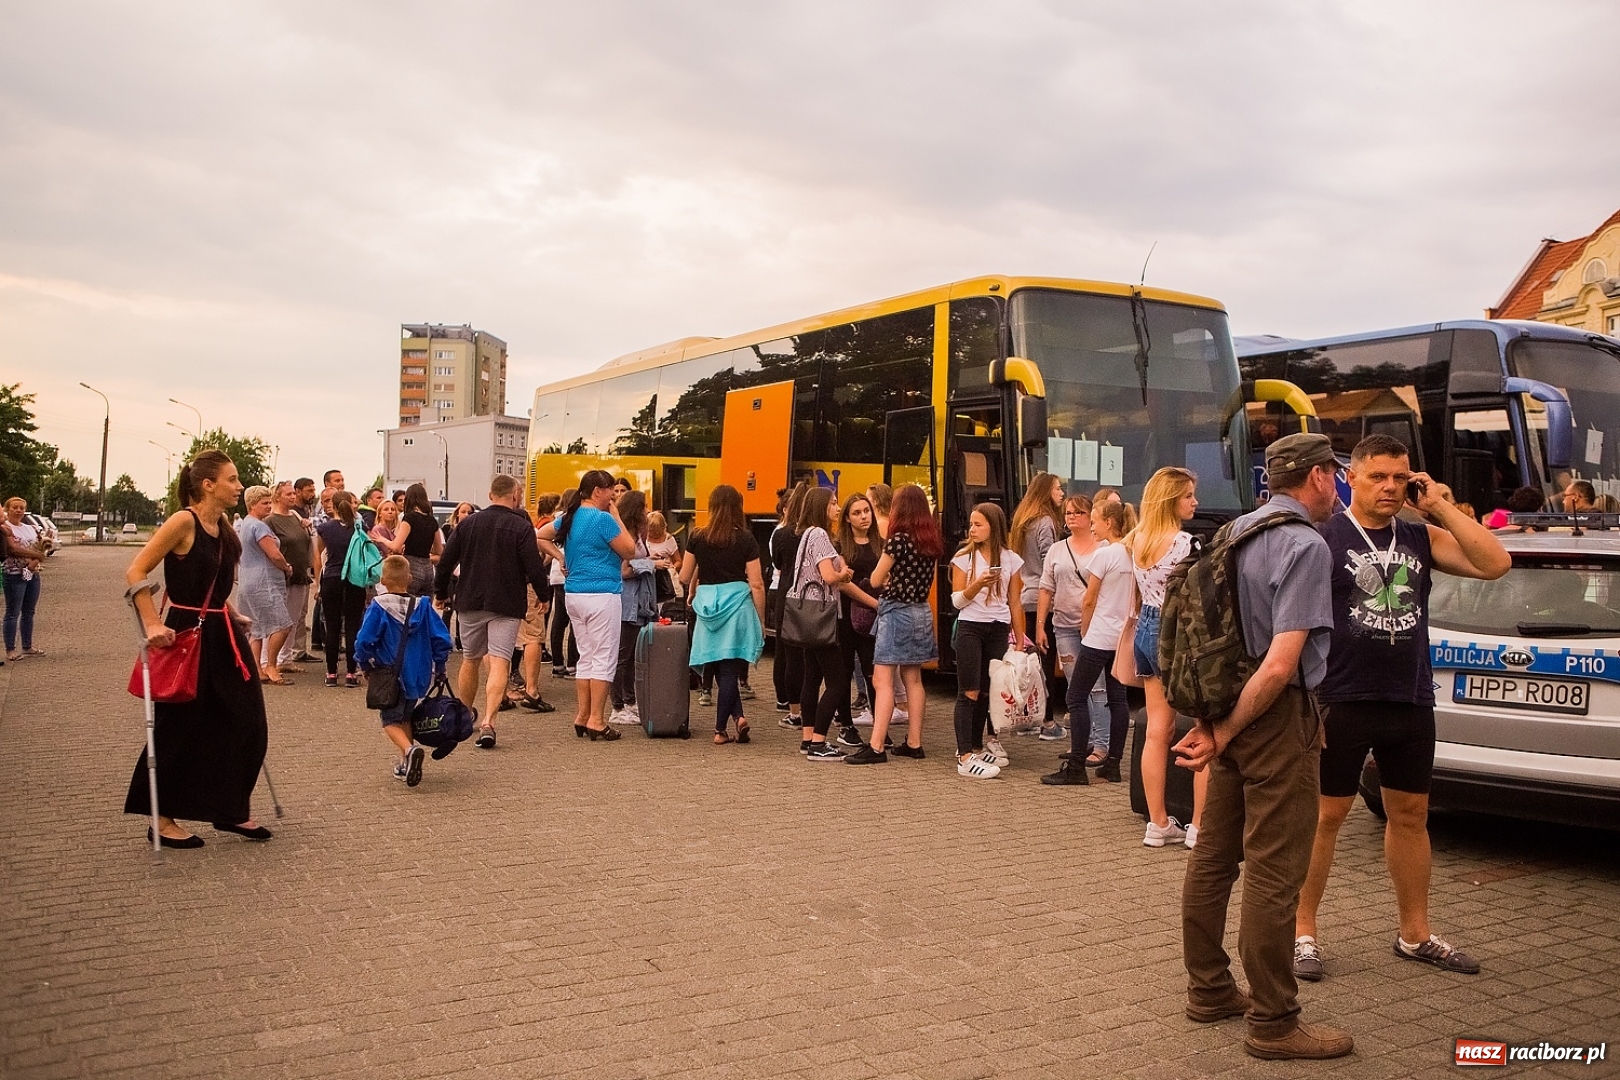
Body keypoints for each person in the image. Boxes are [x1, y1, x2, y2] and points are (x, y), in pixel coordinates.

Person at [1293, 434, 1509, 985]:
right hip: (1339, 697)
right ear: (1352, 479)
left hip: (1409, 697)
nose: (1390, 487)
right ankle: (1302, 932)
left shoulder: (1418, 533)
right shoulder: (1324, 535)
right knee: (1325, 817)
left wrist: (1435, 503)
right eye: (1377, 477)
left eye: (1400, 477)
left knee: (1410, 816)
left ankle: (1414, 933)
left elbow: (1495, 563)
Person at [1171, 432, 1351, 1061]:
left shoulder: (1237, 530)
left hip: (1226, 702)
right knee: (1275, 871)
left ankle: (1210, 989)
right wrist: (1226, 731)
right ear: (1320, 476)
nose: (1338, 486)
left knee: (1215, 856)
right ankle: (1274, 1021)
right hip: (1272, 718)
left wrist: (1218, 727)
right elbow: (1280, 666)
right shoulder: (1305, 545)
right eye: (1336, 474)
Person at [123, 449, 271, 847]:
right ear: (208, 484)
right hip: (186, 634)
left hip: (223, 633)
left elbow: (214, 585)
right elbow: (136, 570)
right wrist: (152, 621)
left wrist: (232, 611)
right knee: (179, 728)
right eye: (233, 479)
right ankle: (162, 816)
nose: (239, 485)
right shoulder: (182, 521)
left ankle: (229, 809)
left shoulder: (221, 524)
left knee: (248, 724)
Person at [437, 475, 552, 748]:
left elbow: (445, 563)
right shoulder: (521, 527)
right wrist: (543, 596)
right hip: (506, 603)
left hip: (470, 600)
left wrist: (441, 593)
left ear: (490, 495)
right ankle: (489, 721)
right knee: (500, 661)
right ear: (514, 495)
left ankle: (464, 716)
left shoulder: (467, 525)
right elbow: (534, 566)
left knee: (470, 659)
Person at [1129, 467, 1206, 847]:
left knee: (1157, 731)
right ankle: (1200, 827)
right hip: (1176, 634)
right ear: (1171, 499)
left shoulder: (1138, 539)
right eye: (1189, 495)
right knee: (1205, 725)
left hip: (1146, 628)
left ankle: (1158, 822)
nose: (1195, 502)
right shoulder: (1185, 544)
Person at [845, 483, 940, 765]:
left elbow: (875, 579)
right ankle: (914, 742)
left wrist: (886, 579)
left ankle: (876, 746)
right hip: (921, 611)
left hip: (896, 611)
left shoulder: (897, 540)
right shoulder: (930, 540)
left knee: (881, 679)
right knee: (914, 678)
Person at [539, 470, 636, 741]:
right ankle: (596, 719)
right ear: (597, 491)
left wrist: (560, 557)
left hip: (574, 595)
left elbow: (539, 535)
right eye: (611, 490)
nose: (613, 496)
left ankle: (582, 715)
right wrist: (617, 516)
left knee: (586, 656)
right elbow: (629, 550)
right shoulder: (604, 519)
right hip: (602, 595)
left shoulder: (567, 518)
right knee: (605, 658)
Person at [1043, 499, 1135, 784]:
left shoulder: (1104, 555)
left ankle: (1076, 767)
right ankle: (1113, 764)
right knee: (1117, 698)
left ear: (1109, 523)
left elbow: (1090, 599)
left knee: (1075, 696)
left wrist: (1084, 630)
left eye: (1094, 521)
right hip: (1121, 637)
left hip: (1098, 636)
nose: (1092, 526)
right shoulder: (1134, 553)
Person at [355, 555, 454, 788]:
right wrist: (440, 667)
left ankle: (410, 750)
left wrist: (364, 664)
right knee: (406, 716)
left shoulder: (378, 607)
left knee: (390, 720)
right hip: (418, 672)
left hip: (390, 673)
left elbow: (364, 640)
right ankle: (405, 763)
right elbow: (441, 639)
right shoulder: (424, 606)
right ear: (409, 578)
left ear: (382, 580)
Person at [681, 484, 766, 743]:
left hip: (707, 605)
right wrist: (761, 620)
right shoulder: (746, 539)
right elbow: (757, 583)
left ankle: (738, 718)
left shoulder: (697, 536)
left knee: (717, 665)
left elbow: (684, 575)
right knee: (729, 669)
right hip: (737, 606)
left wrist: (696, 584)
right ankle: (720, 730)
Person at [949, 502, 1027, 779]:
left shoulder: (1010, 559)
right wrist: (978, 584)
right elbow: (957, 600)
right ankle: (964, 755)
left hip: (997, 628)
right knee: (968, 690)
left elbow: (1015, 602)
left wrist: (1019, 638)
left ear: (993, 527)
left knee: (986, 690)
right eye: (971, 523)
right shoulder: (963, 558)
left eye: (978, 524)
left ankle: (978, 747)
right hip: (971, 627)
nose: (972, 529)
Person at [786, 486, 855, 760]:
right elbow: (827, 576)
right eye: (833, 504)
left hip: (806, 617)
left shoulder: (805, 535)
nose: (838, 509)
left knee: (812, 677)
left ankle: (807, 737)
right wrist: (845, 574)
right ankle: (819, 742)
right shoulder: (821, 535)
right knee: (838, 681)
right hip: (821, 616)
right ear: (820, 507)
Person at [1035, 493, 1096, 754]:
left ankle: (1098, 741)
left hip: (1096, 628)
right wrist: (1040, 625)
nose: (1071, 517)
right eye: (1068, 513)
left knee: (1098, 687)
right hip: (1064, 627)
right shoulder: (1058, 550)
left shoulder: (1103, 548)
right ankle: (1081, 743)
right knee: (1075, 687)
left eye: (1078, 512)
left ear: (1090, 516)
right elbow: (1045, 588)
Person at [1010, 473, 1067, 739]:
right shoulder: (1046, 522)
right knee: (1045, 661)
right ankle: (1046, 722)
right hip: (1044, 599)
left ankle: (1027, 718)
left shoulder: (1023, 520)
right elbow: (1050, 563)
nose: (1062, 493)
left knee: (1030, 661)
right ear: (1046, 492)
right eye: (1057, 488)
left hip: (1025, 596)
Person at [831, 491, 882, 749]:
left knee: (874, 671)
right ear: (848, 519)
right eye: (857, 513)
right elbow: (842, 584)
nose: (864, 517)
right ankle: (846, 725)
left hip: (873, 619)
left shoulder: (879, 543)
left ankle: (878, 725)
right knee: (844, 669)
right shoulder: (840, 545)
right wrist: (874, 602)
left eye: (866, 511)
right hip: (846, 616)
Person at [233, 485, 296, 684]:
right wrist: (286, 567)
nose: (269, 506)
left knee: (256, 628)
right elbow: (274, 554)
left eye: (270, 502)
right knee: (283, 625)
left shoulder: (244, 524)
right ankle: (271, 665)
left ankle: (256, 669)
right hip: (264, 581)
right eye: (264, 503)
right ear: (252, 504)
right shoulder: (258, 526)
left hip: (247, 580)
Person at [609, 490, 658, 726]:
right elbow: (624, 570)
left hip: (639, 602)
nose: (647, 511)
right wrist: (650, 564)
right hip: (627, 601)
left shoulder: (638, 535)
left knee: (631, 657)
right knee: (622, 656)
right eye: (644, 507)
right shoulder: (623, 536)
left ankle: (630, 702)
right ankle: (617, 705)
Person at [313, 491, 369, 688]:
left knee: (332, 626)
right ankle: (352, 673)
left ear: (333, 507)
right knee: (353, 625)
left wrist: (318, 584)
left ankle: (331, 673)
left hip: (331, 578)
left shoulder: (324, 528)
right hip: (355, 579)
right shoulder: (359, 527)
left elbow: (318, 555)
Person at [511, 494, 560, 713]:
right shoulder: (525, 533)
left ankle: (501, 690)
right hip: (527, 588)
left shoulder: (488, 528)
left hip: (499, 591)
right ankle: (531, 690)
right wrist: (543, 595)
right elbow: (534, 566)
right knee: (533, 638)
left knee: (499, 642)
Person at [768, 481, 811, 725]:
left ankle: (794, 711)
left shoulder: (782, 534)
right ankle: (810, 707)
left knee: (789, 656)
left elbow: (777, 564)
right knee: (812, 658)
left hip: (787, 596)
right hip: (814, 600)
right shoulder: (818, 534)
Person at [267, 482, 316, 670]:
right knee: (279, 620)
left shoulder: (296, 516)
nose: (292, 497)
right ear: (277, 497)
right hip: (282, 576)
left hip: (300, 574)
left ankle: (286, 659)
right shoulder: (270, 520)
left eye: (293, 494)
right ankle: (272, 659)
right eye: (288, 494)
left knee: (294, 620)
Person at [4, 497, 49, 661]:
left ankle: (27, 646)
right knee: (12, 612)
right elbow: (13, 549)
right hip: (14, 574)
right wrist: (36, 556)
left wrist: (36, 560)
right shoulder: (5, 528)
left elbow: (42, 545)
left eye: (21, 508)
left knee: (29, 611)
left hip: (33, 573)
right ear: (7, 509)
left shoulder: (30, 528)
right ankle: (10, 649)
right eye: (14, 507)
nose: (18, 510)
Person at [390, 483, 444, 596]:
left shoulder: (409, 518)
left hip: (411, 567)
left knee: (409, 608)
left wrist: (382, 540)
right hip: (428, 570)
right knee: (424, 609)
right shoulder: (432, 521)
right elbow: (439, 552)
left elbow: (396, 546)